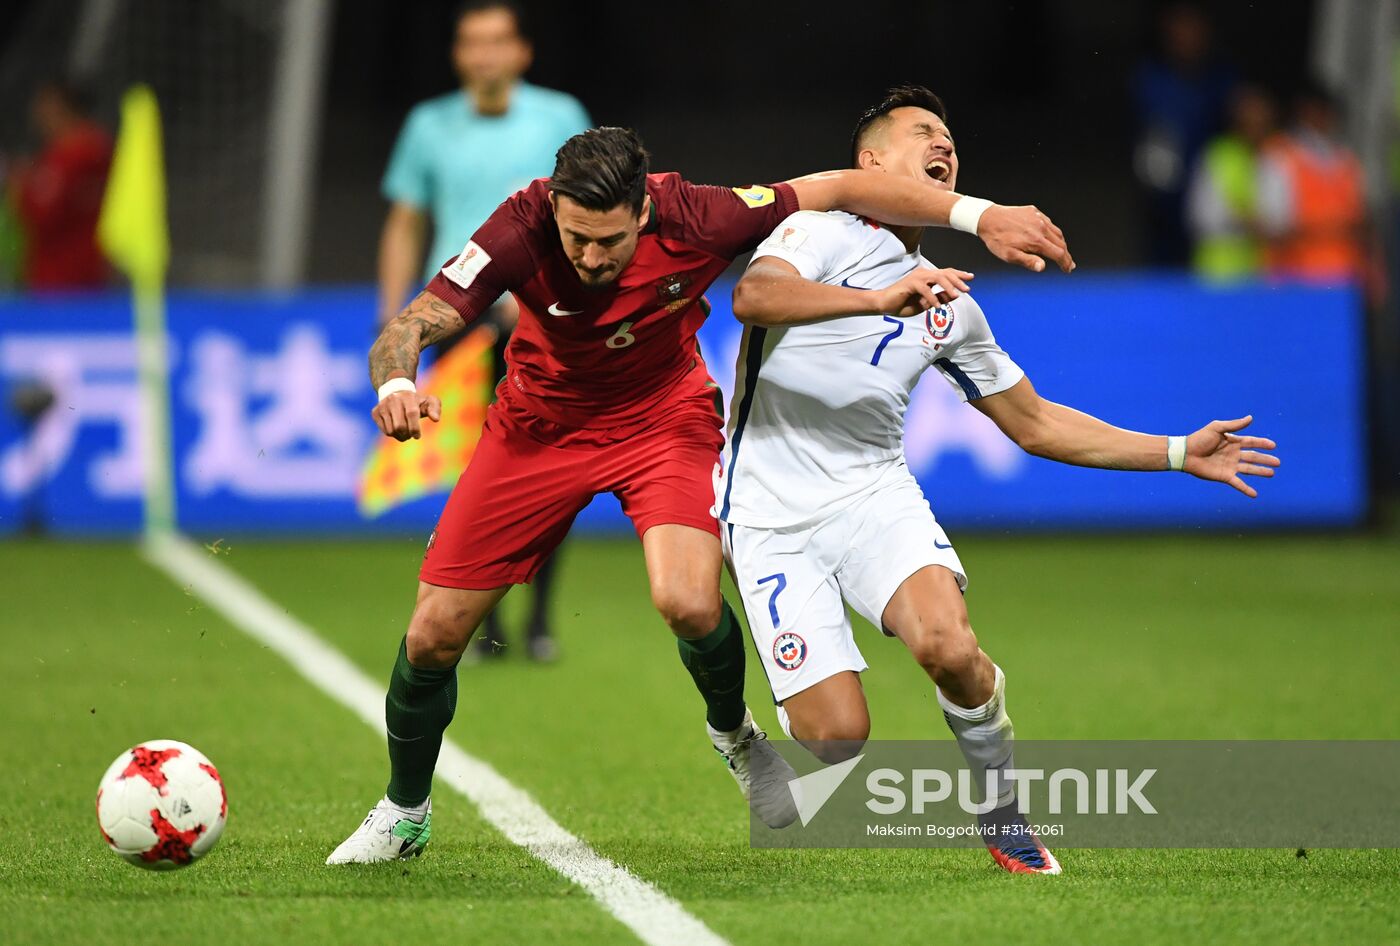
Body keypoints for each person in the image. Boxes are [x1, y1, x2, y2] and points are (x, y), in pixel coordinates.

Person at [327, 123, 1075, 864]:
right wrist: (397, 385)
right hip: (537, 431)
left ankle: (735, 736)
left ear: (643, 212)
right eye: (576, 238)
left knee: (686, 600)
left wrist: (979, 216)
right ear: (553, 207)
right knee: (432, 636)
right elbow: (411, 324)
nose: (590, 258)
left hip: (663, 422)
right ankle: (404, 812)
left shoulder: (701, 214)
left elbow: (845, 185)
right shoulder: (519, 227)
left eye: (609, 241)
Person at [719, 86, 1279, 875]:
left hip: (874, 496)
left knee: (950, 646)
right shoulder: (818, 229)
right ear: (870, 161)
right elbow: (753, 296)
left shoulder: (947, 302)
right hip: (767, 512)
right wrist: (875, 299)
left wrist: (1180, 451)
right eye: (922, 132)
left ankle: (1002, 810)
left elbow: (1036, 423)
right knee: (837, 738)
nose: (943, 144)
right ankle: (739, 739)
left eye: (949, 137)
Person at [378, 1, 590, 662]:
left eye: (498, 41)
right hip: (461, 320)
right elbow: (406, 222)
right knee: (478, 470)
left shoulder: (560, 117)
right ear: (458, 54)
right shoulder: (428, 125)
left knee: (550, 466)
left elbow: (591, 213)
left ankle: (540, 618)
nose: (485, 54)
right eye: (473, 42)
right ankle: (485, 621)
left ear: (522, 51)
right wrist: (395, 319)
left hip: (543, 320)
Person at [1131, 2, 1235, 266]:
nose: (1186, 36)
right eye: (1179, 27)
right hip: (1164, 196)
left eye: (1193, 28)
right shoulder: (1150, 78)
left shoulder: (1221, 80)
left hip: (1210, 193)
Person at [1258, 82, 1372, 287]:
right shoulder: (1279, 156)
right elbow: (1274, 227)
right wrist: (1330, 228)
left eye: (1325, 112)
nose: (1321, 118)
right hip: (1298, 281)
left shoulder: (1346, 159)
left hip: (1345, 278)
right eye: (1315, 111)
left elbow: (1361, 220)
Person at [9, 80, 112, 290]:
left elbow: (42, 213)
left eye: (43, 105)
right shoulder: (99, 147)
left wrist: (22, 188)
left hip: (60, 278)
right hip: (89, 271)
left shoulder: (70, 156)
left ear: (60, 106)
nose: (37, 114)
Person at [1186, 83, 1278, 281]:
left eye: (1262, 121)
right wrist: (1245, 220)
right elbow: (1203, 217)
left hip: (1262, 272)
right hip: (1218, 273)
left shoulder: (1273, 157)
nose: (1256, 126)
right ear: (1237, 120)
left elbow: (1284, 217)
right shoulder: (1217, 156)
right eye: (1250, 120)